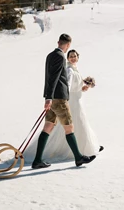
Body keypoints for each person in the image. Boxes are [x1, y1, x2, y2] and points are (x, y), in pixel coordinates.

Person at [31, 34, 96, 169]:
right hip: (59, 98)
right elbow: (54, 78)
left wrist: (48, 97)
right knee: (69, 127)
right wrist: (49, 98)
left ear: (58, 42)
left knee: (48, 126)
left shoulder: (50, 55)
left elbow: (49, 77)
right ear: (68, 45)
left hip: (52, 97)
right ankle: (78, 158)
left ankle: (37, 160)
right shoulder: (60, 56)